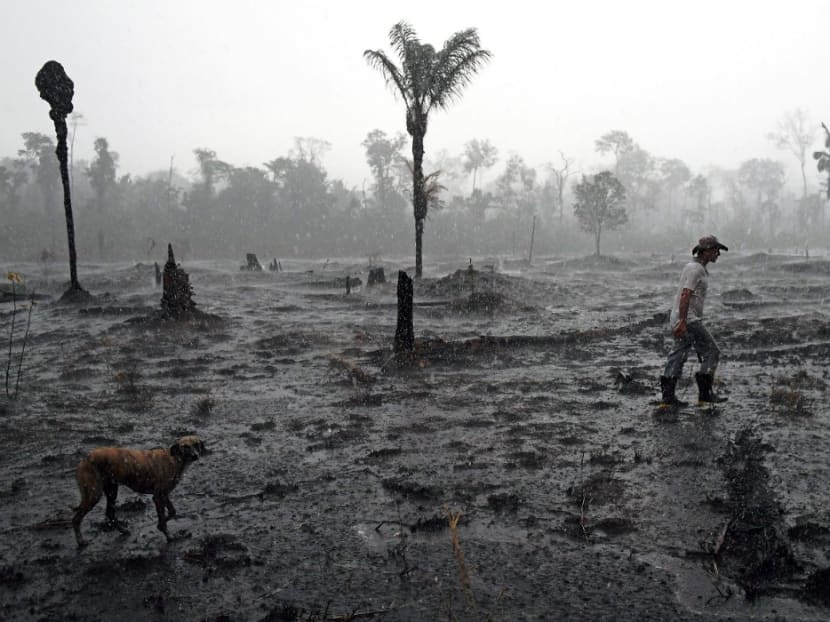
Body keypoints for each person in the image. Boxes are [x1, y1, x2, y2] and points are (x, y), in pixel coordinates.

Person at [659, 235, 729, 408]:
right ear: (706, 251)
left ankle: (668, 398)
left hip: (682, 317)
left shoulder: (695, 267)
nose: (718, 254)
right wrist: (683, 321)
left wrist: (680, 319)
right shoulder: (695, 269)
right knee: (712, 351)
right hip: (688, 319)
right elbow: (685, 295)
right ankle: (705, 395)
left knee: (679, 353)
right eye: (715, 250)